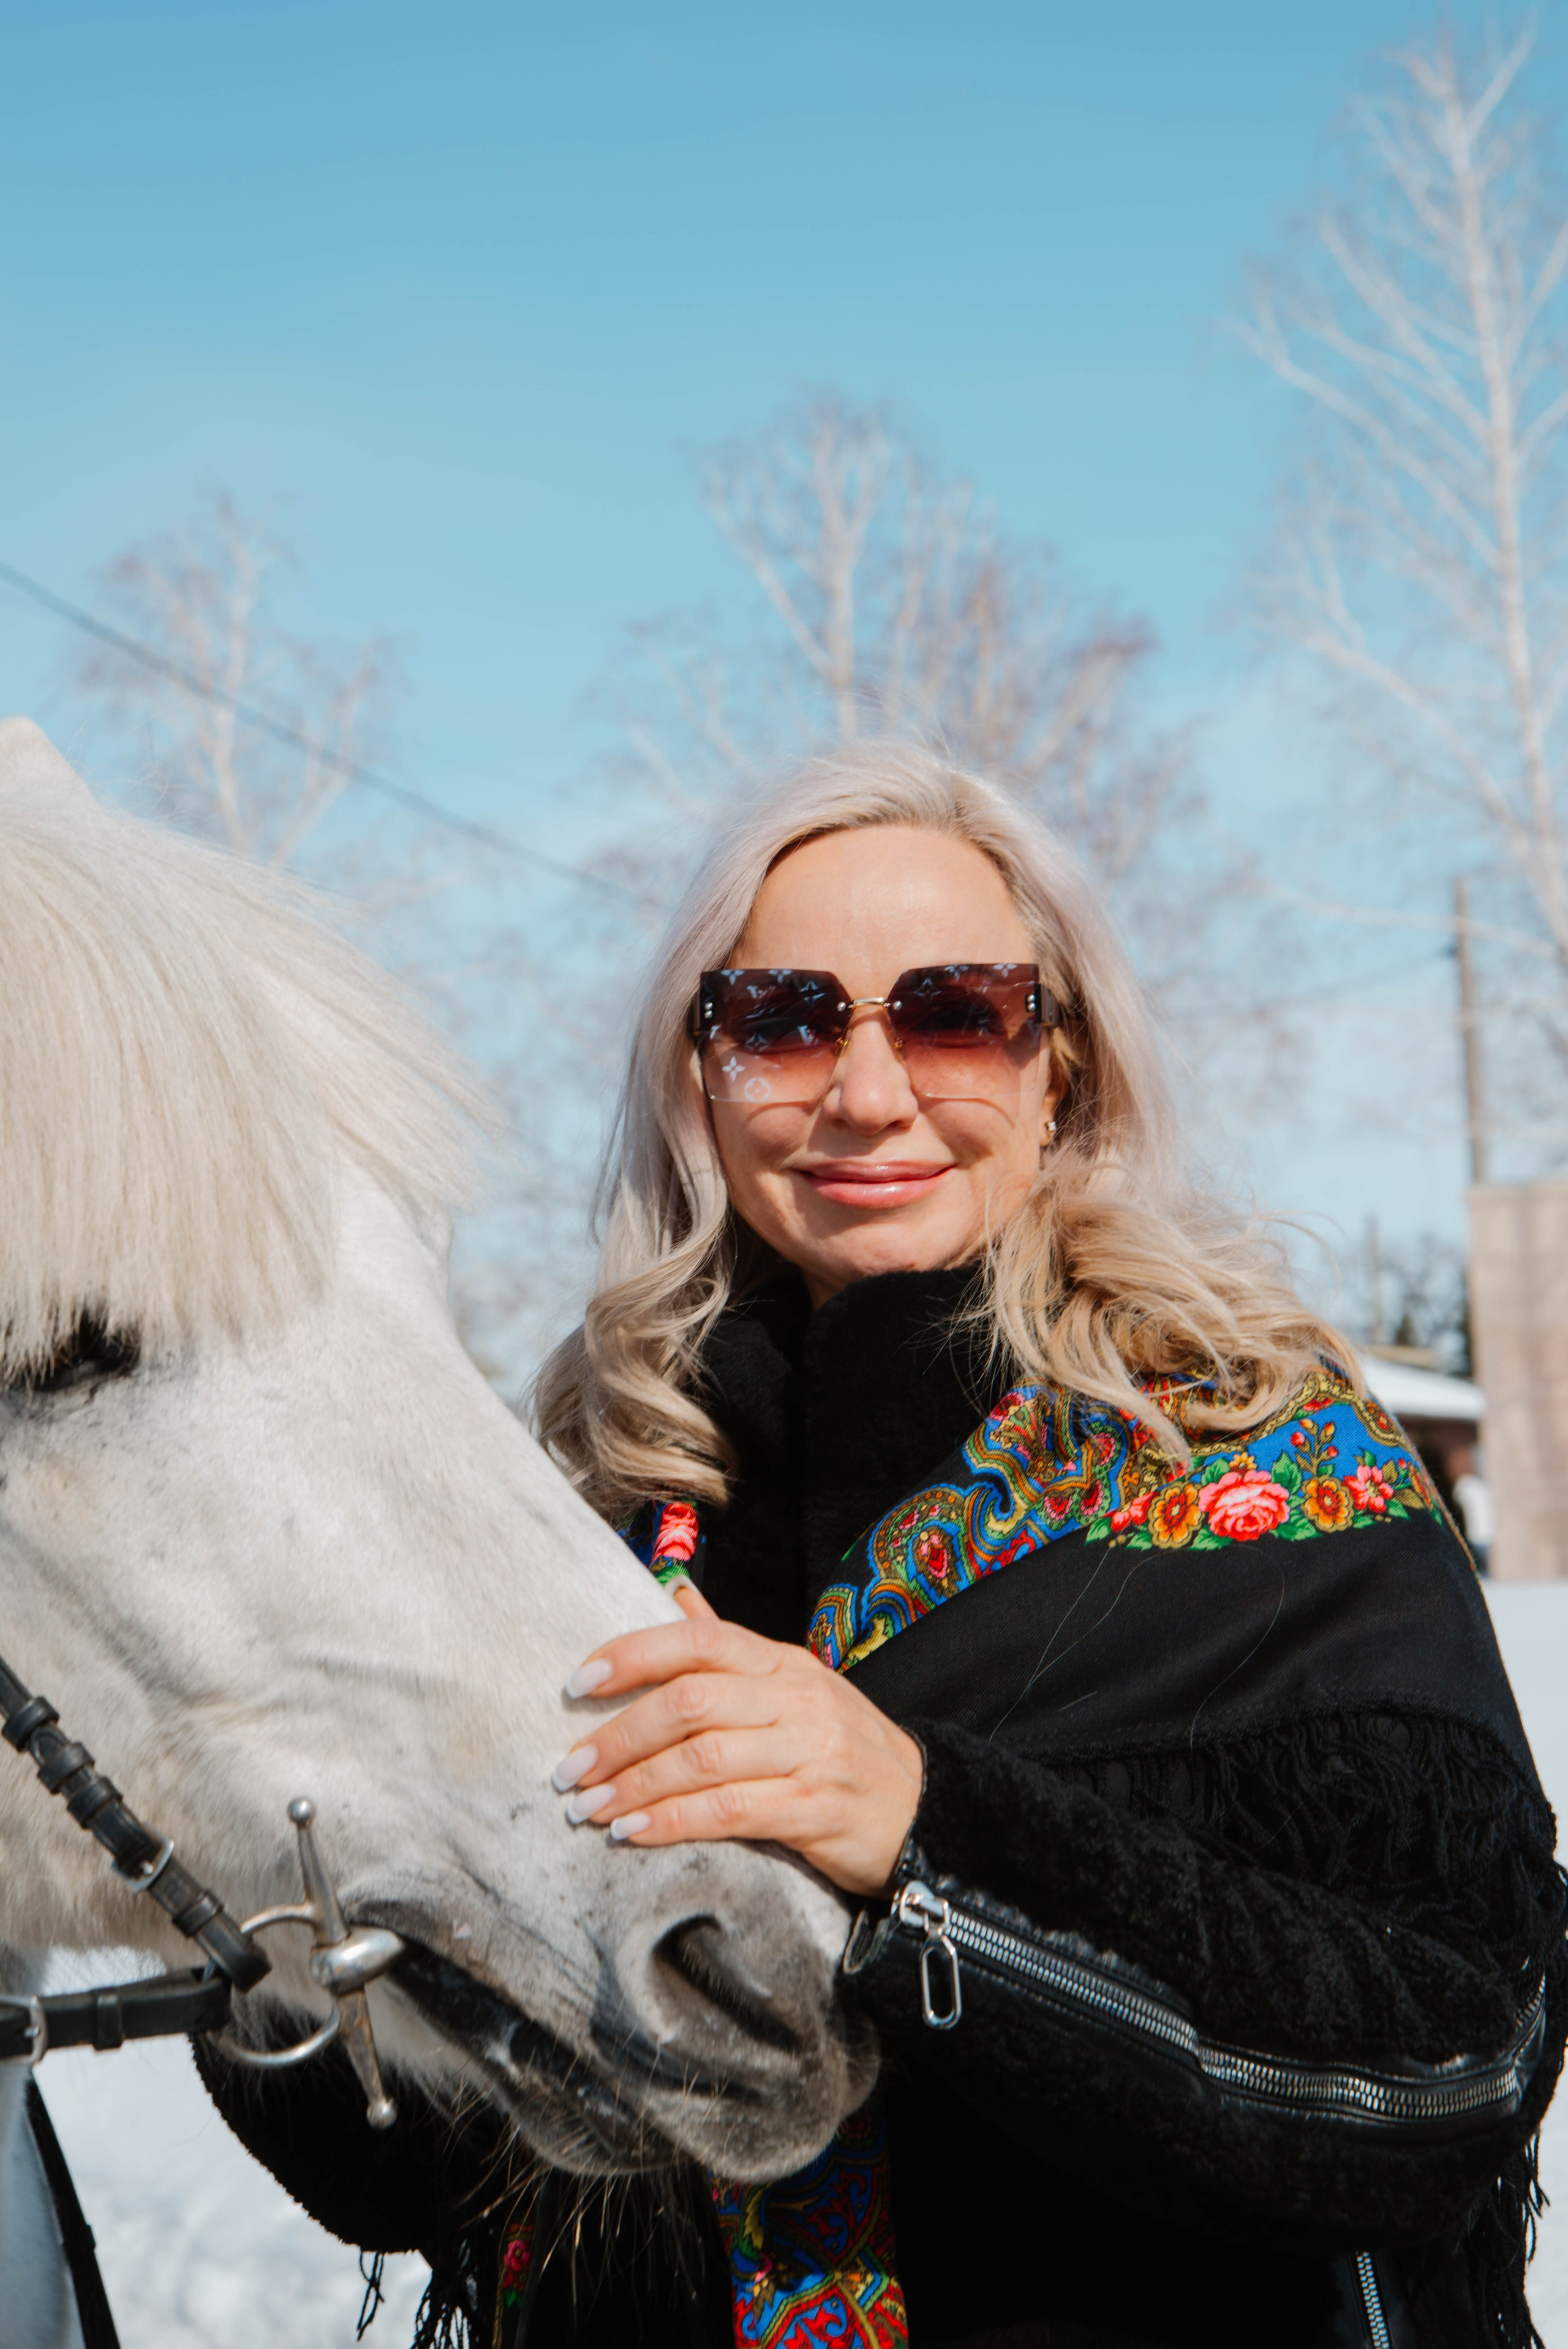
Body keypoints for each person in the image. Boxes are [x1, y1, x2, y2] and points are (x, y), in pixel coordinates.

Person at [203, 744, 1563, 2348]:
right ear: (697, 1074)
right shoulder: (583, 1509)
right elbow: (425, 2172)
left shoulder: (1261, 1453)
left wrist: (920, 1829)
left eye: (953, 1010)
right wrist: (262, 1910)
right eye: (780, 1018)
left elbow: (1454, 2060)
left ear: (1062, 1063)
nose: (865, 1088)